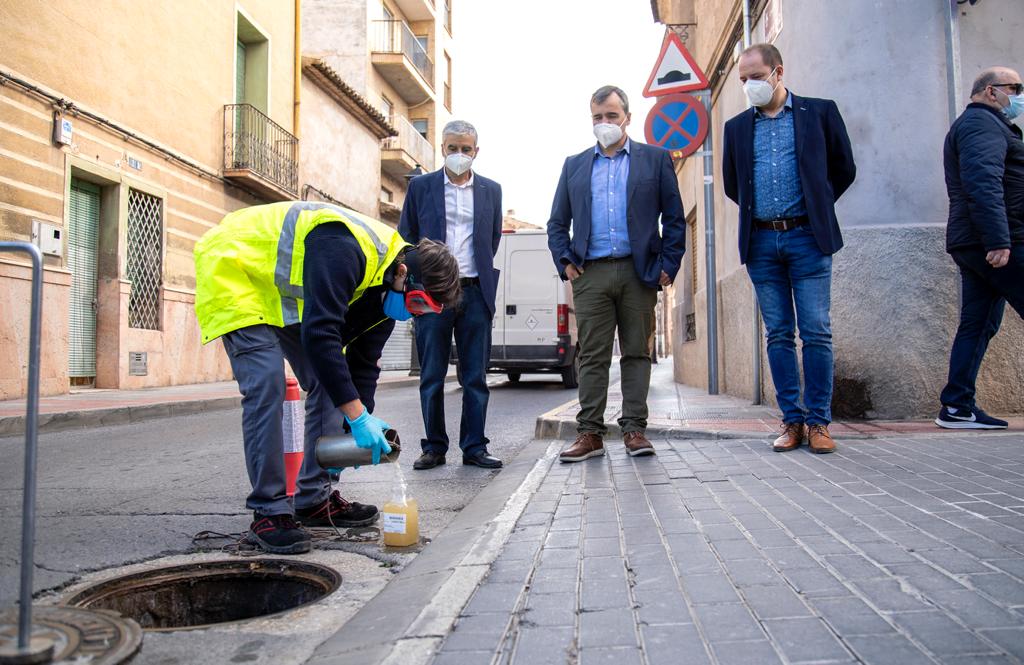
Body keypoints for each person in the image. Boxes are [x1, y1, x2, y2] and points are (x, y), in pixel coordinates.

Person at [194, 201, 460, 554]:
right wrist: (355, 415)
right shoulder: (345, 246)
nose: (415, 313)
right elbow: (321, 336)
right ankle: (269, 511)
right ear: (402, 272)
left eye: (425, 310)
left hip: (279, 296)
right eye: (417, 302)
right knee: (267, 384)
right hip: (235, 267)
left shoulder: (385, 297)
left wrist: (357, 422)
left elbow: (362, 364)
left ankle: (313, 499)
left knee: (330, 382)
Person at [722, 43, 856, 455]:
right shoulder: (737, 127)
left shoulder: (819, 112)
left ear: (778, 73)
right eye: (743, 80)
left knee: (816, 331)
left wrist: (815, 204)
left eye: (756, 77)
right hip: (761, 240)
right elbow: (732, 184)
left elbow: (844, 168)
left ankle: (819, 423)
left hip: (807, 237)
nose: (749, 86)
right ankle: (791, 421)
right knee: (778, 333)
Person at [547, 85, 686, 463]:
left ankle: (634, 430)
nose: (604, 123)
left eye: (611, 115)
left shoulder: (654, 160)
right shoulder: (574, 165)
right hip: (590, 274)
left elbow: (674, 219)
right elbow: (557, 223)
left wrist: (668, 265)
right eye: (597, 117)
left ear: (627, 116)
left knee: (636, 353)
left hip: (638, 272)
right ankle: (589, 433)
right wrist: (565, 261)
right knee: (591, 356)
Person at [399, 120, 504, 470]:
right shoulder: (421, 188)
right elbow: (407, 238)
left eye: (466, 149)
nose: (459, 155)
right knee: (431, 375)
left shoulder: (491, 190)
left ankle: (474, 447)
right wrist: (422, 278)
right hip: (432, 294)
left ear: (476, 151)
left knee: (475, 376)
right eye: (452, 148)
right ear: (442, 148)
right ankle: (434, 447)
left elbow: (491, 240)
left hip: (475, 292)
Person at [935, 67, 1024, 430]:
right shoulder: (981, 125)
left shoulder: (987, 125)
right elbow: (982, 181)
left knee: (978, 323)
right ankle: (956, 404)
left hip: (979, 240)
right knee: (978, 323)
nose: (1018, 95)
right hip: (998, 240)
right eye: (1014, 88)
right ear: (991, 91)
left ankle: (956, 406)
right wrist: (999, 240)